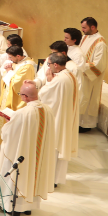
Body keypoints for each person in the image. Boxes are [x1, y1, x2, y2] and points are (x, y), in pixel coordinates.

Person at [0, 80, 56, 214]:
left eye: (20, 94)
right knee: (34, 175)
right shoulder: (48, 110)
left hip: (23, 153)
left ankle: (15, 208)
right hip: (39, 154)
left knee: (20, 175)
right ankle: (28, 207)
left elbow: (8, 134)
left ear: (25, 96)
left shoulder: (23, 113)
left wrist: (8, 123)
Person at [37, 53, 79, 187]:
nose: (48, 67)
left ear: (55, 65)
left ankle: (50, 180)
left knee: (53, 147)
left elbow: (44, 95)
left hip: (58, 119)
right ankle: (54, 179)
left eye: (48, 64)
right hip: (65, 116)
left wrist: (49, 81)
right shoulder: (70, 75)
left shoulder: (59, 80)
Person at [0, 42, 36, 142]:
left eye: (10, 57)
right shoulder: (17, 62)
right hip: (7, 93)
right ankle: (1, 138)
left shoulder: (27, 66)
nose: (9, 59)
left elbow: (17, 83)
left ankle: (9, 140)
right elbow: (6, 75)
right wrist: (7, 70)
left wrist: (9, 71)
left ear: (18, 56)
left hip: (16, 98)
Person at [76, 17, 107, 132]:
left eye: (84, 27)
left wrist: (81, 66)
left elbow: (99, 65)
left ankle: (86, 125)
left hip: (90, 78)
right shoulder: (85, 37)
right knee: (80, 98)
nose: (82, 30)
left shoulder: (100, 43)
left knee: (87, 99)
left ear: (92, 27)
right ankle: (77, 122)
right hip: (81, 75)